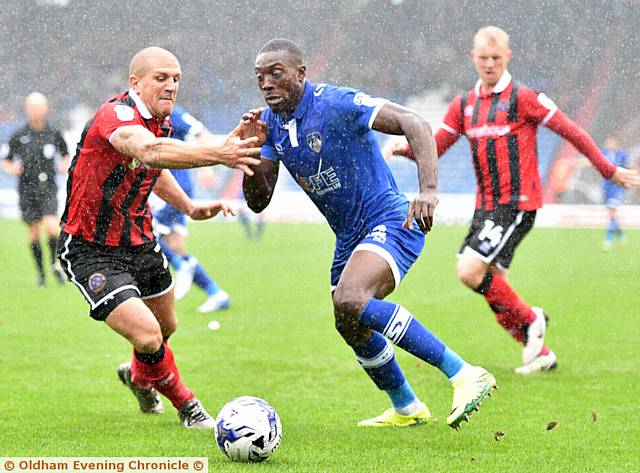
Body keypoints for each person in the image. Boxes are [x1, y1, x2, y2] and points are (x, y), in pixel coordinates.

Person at [243, 38, 496, 430]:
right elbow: (258, 201)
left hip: (391, 220)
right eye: (261, 77)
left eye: (277, 74)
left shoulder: (335, 103)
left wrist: (428, 190)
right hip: (350, 237)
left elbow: (414, 123)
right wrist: (250, 150)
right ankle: (406, 406)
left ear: (301, 73)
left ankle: (464, 374)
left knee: (350, 298)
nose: (268, 84)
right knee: (349, 322)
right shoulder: (272, 126)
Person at [385, 26, 640, 375]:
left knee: (469, 270)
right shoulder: (465, 105)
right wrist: (406, 149)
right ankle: (540, 352)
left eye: (495, 58)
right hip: (486, 206)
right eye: (483, 58)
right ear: (473, 59)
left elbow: (572, 131)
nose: (489, 64)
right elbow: (438, 145)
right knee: (492, 284)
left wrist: (608, 170)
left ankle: (533, 320)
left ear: (508, 57)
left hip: (517, 203)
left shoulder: (524, 98)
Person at [57, 46, 262, 428]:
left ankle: (137, 377)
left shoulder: (162, 122)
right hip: (91, 249)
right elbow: (148, 152)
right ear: (135, 82)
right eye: (161, 78)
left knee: (166, 328)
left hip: (139, 240)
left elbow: (153, 169)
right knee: (149, 336)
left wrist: (190, 208)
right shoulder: (116, 115)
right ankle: (189, 407)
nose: (171, 86)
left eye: (176, 79)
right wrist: (218, 152)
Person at [153, 104, 231, 313]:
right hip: (166, 187)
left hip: (173, 187)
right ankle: (216, 293)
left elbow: (200, 133)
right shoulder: (144, 115)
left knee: (146, 230)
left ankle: (180, 266)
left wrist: (206, 164)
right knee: (176, 247)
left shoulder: (171, 113)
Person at [2, 92, 70, 287]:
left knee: (51, 227)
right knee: (33, 233)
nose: (36, 111)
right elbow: (6, 161)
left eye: (40, 107)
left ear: (46, 108)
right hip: (26, 189)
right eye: (33, 107)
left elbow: (66, 155)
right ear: (27, 109)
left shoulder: (53, 133)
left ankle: (53, 264)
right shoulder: (19, 135)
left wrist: (64, 164)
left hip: (47, 187)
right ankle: (41, 275)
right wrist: (11, 168)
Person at [600, 136, 629, 251]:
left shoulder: (622, 154)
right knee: (612, 215)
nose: (607, 145)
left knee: (612, 213)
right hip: (606, 187)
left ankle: (608, 240)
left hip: (617, 186)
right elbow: (592, 160)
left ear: (616, 143)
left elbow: (628, 167)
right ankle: (621, 236)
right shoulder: (605, 153)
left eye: (609, 143)